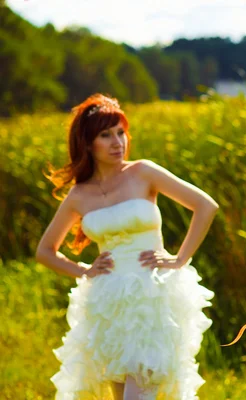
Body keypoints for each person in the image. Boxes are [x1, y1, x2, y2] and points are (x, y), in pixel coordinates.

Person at [36, 93, 219, 400]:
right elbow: (45, 251)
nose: (117, 142)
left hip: (152, 295)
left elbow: (205, 206)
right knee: (121, 395)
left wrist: (179, 258)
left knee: (136, 397)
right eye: (105, 135)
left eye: (120, 132)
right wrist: (83, 269)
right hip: (108, 302)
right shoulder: (80, 195)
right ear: (88, 143)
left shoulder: (142, 172)